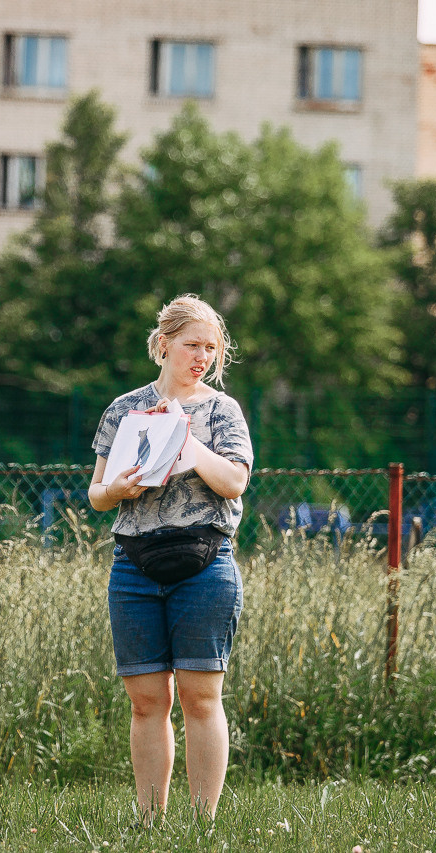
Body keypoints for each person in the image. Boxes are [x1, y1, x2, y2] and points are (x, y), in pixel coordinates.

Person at [88, 294, 253, 822]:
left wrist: (186, 438)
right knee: (145, 701)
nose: (201, 356)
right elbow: (96, 493)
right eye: (191, 345)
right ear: (163, 345)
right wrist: (118, 488)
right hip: (134, 567)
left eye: (211, 348)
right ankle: (149, 821)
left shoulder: (222, 410)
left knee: (201, 698)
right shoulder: (123, 409)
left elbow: (233, 480)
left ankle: (203, 823)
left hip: (206, 566)